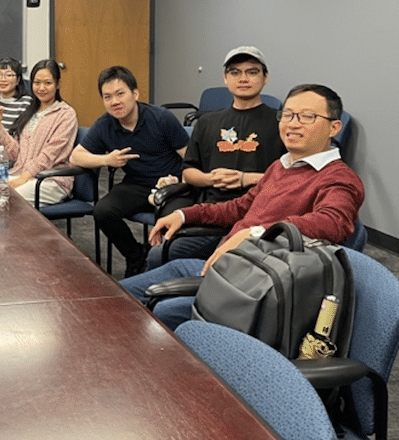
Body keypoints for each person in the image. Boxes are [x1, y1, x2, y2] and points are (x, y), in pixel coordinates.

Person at [121, 84, 364, 329]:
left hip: (254, 288)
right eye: (288, 115)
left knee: (156, 311)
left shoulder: (339, 178)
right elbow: (239, 208)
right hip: (224, 268)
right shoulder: (281, 166)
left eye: (307, 117)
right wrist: (184, 214)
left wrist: (257, 232)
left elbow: (333, 222)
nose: (293, 123)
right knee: (114, 295)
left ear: (334, 127)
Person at [146, 46, 285, 270]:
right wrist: (212, 179)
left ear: (265, 77)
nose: (243, 78)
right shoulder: (208, 122)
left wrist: (245, 178)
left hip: (255, 217)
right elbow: (189, 173)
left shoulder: (281, 124)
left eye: (252, 72)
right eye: (235, 72)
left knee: (172, 254)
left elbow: (291, 178)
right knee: (158, 253)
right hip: (211, 211)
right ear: (225, 78)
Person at [69, 66, 189, 277]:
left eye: (120, 94)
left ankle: (164, 269)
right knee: (103, 211)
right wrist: (107, 159)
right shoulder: (105, 124)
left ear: (135, 94)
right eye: (107, 97)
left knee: (173, 220)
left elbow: (191, 157)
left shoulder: (161, 118)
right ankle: (135, 255)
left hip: (172, 186)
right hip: (138, 184)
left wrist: (180, 180)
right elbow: (76, 156)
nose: (115, 101)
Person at [0, 59, 78, 206]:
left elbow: (49, 155)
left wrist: (22, 178)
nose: (41, 88)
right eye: (37, 83)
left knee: (7, 198)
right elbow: (15, 154)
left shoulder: (66, 114)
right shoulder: (30, 112)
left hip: (50, 180)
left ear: (57, 84)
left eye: (48, 83)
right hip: (21, 174)